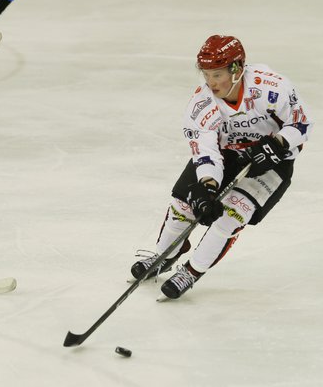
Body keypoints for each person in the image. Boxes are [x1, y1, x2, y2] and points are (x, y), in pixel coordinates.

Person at [130, 35, 312, 299]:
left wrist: (279, 144)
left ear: (237, 68)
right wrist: (208, 185)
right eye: (206, 75)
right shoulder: (201, 104)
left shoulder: (272, 86)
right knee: (185, 204)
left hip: (273, 161)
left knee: (233, 214)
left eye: (217, 74)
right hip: (227, 156)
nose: (211, 83)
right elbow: (206, 150)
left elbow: (302, 123)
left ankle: (191, 272)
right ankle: (163, 254)